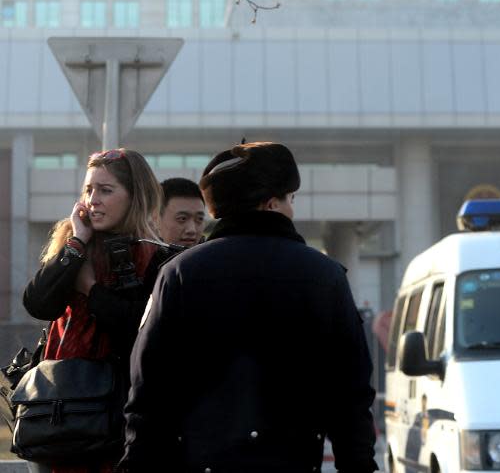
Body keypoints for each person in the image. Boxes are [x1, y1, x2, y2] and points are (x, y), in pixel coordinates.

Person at [120, 142, 378, 472]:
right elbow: (350, 395)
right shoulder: (324, 276)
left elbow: (148, 390)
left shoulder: (179, 274)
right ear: (271, 204)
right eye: (291, 199)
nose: (292, 209)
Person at [22, 148, 173, 473]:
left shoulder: (154, 256)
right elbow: (38, 303)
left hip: (112, 413)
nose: (93, 200)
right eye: (89, 189)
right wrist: (76, 241)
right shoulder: (75, 244)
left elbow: (137, 330)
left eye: (106, 190)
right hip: (57, 405)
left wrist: (91, 289)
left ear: (135, 197)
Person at [158, 177, 206, 247]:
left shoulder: (216, 255)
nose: (192, 230)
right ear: (156, 220)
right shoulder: (139, 256)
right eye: (182, 218)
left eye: (200, 219)